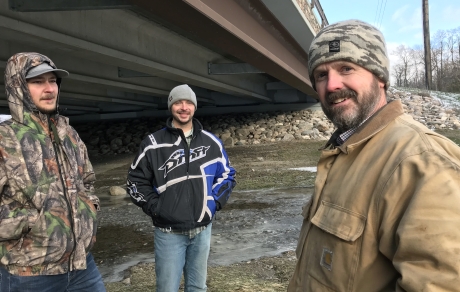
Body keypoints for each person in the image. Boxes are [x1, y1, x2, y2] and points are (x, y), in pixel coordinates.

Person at [288, 19, 460, 291]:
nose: (332, 85)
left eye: (346, 68)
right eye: (321, 75)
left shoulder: (423, 161)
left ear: (380, 77)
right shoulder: (344, 151)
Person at [0, 53, 105, 291]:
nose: (49, 88)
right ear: (18, 86)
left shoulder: (69, 134)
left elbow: (87, 181)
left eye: (52, 80)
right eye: (38, 82)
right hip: (29, 274)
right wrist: (30, 223)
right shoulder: (4, 139)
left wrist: (89, 205)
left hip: (82, 266)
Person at [127, 84, 236, 291]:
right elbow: (135, 181)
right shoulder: (152, 144)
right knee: (167, 288)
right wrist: (157, 208)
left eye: (188, 103)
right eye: (178, 102)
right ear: (171, 106)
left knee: (197, 288)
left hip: (202, 230)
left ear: (194, 107)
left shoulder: (212, 143)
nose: (183, 107)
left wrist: (212, 203)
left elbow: (227, 175)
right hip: (168, 233)